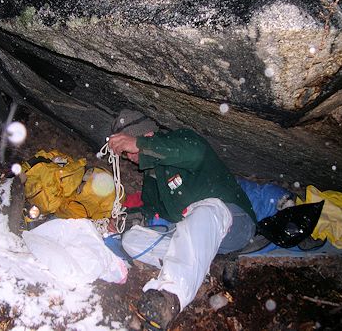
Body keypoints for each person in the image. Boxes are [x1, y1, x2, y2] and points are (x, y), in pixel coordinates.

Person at [108, 109, 263, 330]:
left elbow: (196, 152)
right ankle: (208, 266)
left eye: (128, 150)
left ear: (145, 135)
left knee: (206, 209)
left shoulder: (181, 140)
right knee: (131, 240)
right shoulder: (152, 176)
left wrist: (141, 145)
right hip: (194, 234)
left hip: (233, 223)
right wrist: (126, 220)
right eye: (125, 154)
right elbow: (152, 212)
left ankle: (169, 298)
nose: (129, 157)